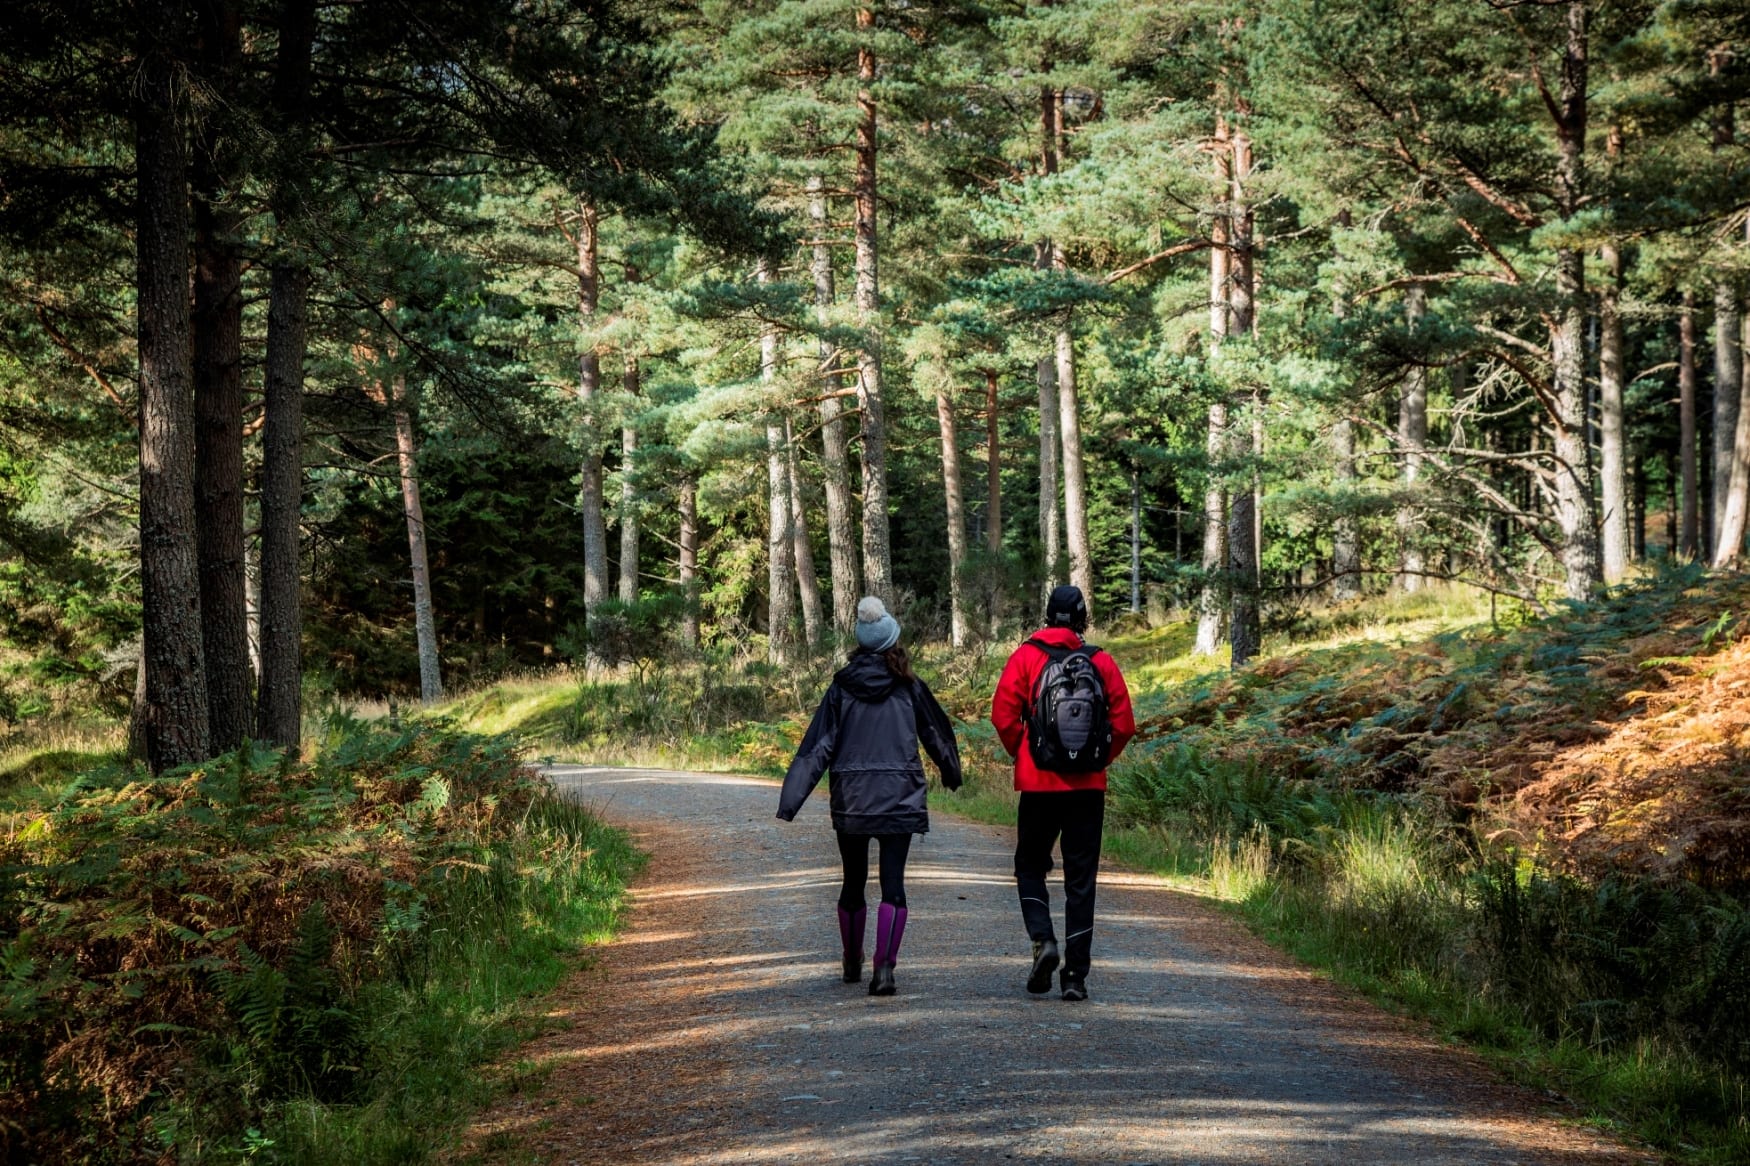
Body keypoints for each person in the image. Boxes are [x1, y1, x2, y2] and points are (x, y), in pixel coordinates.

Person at [777, 596, 962, 997]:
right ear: (893, 642)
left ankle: (850, 961)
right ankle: (884, 969)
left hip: (853, 800)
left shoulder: (841, 688)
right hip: (899, 797)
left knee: (853, 882)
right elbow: (937, 733)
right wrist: (951, 772)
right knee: (893, 886)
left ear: (861, 644)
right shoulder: (910, 688)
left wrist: (791, 799)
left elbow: (818, 747)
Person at [990, 584, 1135, 1001]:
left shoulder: (1026, 656)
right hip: (1087, 788)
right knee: (1081, 881)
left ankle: (1043, 940)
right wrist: (1095, 760)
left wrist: (1027, 752)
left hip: (1038, 785)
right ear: (1083, 618)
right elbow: (1124, 725)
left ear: (1047, 614)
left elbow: (1002, 716)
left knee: (1030, 865)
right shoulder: (1101, 662)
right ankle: (1075, 976)